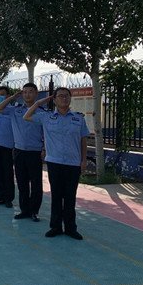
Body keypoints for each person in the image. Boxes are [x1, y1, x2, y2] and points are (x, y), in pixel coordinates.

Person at [24, 87, 89, 240]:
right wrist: (39, 102)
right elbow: (26, 116)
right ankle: (56, 227)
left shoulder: (78, 118)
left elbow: (83, 140)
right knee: (56, 196)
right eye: (60, 96)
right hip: (54, 162)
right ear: (54, 100)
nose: (64, 98)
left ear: (70, 99)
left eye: (66, 96)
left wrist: (84, 160)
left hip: (73, 163)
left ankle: (71, 228)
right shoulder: (46, 117)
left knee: (70, 197)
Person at [0, 83, 44, 222]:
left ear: (36, 93)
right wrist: (11, 98)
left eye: (30, 92)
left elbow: (46, 133)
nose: (27, 95)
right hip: (19, 151)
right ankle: (24, 210)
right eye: (25, 92)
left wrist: (44, 149)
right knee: (22, 183)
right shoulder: (15, 110)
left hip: (35, 151)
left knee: (36, 184)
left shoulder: (43, 112)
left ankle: (34, 211)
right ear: (21, 94)